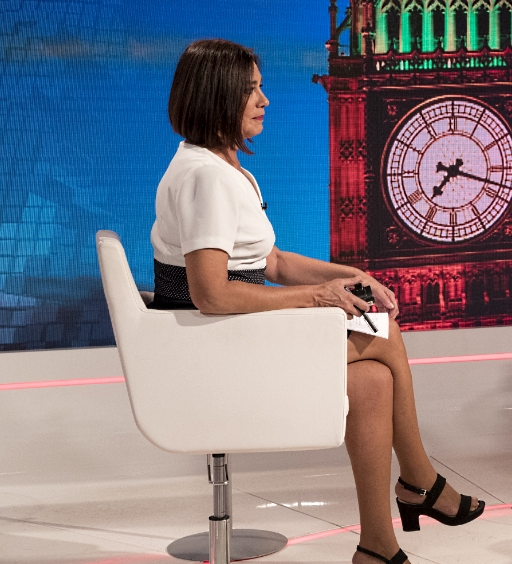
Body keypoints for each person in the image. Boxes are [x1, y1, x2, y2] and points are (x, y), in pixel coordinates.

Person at [151, 39, 483, 564]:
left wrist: (351, 276)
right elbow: (210, 293)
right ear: (218, 96)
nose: (264, 100)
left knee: (371, 382)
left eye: (261, 87)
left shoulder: (220, 167)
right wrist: (317, 298)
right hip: (214, 352)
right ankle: (420, 479)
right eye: (250, 90)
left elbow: (273, 262)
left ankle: (377, 546)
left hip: (230, 338)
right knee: (382, 329)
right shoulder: (205, 178)